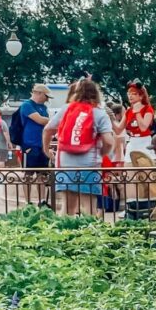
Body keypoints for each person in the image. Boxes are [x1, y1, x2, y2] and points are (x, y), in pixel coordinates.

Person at [42, 78, 114, 215]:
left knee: (67, 207)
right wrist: (103, 152)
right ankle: (89, 228)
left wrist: (46, 149)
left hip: (65, 163)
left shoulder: (66, 109)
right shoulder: (99, 113)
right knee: (89, 208)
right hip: (89, 164)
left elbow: (48, 130)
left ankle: (64, 228)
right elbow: (109, 141)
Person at [19, 84, 52, 206]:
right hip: (29, 145)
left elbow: (45, 122)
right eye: (46, 96)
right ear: (38, 93)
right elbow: (40, 120)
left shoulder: (43, 107)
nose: (47, 99)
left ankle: (42, 200)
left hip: (42, 144)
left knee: (42, 173)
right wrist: (55, 120)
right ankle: (28, 202)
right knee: (28, 173)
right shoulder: (27, 105)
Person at [114, 80, 155, 158]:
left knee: (145, 164)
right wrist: (110, 119)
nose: (130, 96)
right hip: (132, 141)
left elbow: (143, 128)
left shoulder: (148, 109)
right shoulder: (129, 111)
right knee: (128, 164)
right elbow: (118, 130)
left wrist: (137, 112)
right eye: (129, 94)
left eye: (134, 94)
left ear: (141, 96)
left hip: (145, 141)